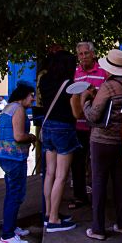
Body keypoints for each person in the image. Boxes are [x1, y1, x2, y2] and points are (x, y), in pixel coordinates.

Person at [80, 49, 122, 241]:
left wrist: (86, 100)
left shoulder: (108, 86)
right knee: (120, 183)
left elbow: (94, 115)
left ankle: (98, 228)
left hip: (102, 141)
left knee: (99, 182)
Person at [39, 50, 79, 232]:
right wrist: (84, 96)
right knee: (62, 175)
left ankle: (48, 214)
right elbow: (76, 113)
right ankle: (54, 219)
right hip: (64, 129)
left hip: (47, 128)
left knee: (50, 173)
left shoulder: (45, 81)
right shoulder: (70, 85)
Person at [0, 82, 37, 243]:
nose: (33, 99)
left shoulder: (8, 107)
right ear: (23, 95)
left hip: (5, 156)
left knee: (11, 194)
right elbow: (19, 136)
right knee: (16, 195)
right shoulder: (19, 109)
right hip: (15, 158)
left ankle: (11, 227)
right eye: (31, 95)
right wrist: (32, 137)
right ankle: (7, 236)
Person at [70, 41, 108, 210]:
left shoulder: (102, 72)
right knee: (77, 163)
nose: (84, 57)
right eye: (80, 54)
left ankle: (98, 197)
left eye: (86, 53)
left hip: (97, 125)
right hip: (79, 125)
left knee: (96, 163)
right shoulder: (75, 73)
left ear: (93, 54)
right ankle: (79, 196)